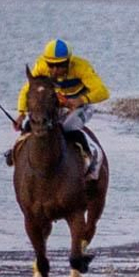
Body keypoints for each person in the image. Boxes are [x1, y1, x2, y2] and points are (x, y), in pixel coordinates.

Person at [11, 38, 109, 180]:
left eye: (60, 65)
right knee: (31, 124)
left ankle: (92, 156)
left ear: (69, 61)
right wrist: (21, 113)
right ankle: (15, 152)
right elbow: (27, 89)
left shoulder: (82, 67)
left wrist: (81, 100)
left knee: (67, 127)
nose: (55, 70)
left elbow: (103, 91)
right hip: (58, 104)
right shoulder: (41, 66)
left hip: (82, 106)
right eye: (51, 65)